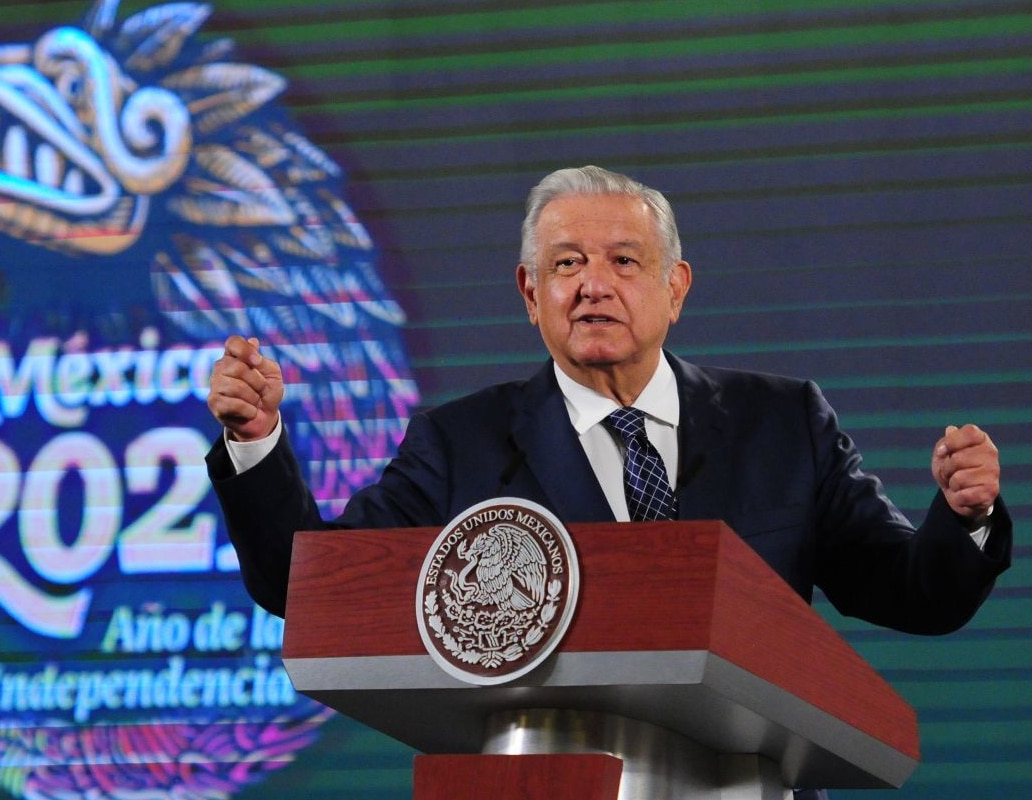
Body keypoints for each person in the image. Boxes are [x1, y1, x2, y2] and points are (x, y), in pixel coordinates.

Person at [206, 165, 1011, 800]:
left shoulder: (783, 422)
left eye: (624, 260)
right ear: (531, 294)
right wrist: (258, 444)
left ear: (675, 287)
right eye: (566, 264)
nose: (594, 283)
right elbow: (309, 586)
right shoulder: (461, 444)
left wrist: (961, 516)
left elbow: (912, 592)